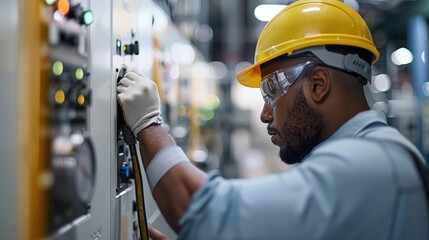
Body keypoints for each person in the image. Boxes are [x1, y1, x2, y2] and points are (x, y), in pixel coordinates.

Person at [117, 0, 428, 239]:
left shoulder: (367, 165)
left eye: (270, 92)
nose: (266, 114)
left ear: (318, 85)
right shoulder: (376, 152)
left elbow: (202, 210)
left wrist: (148, 123)